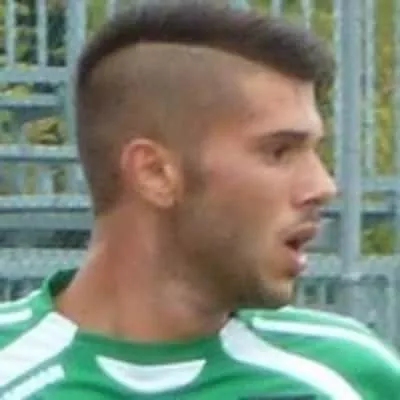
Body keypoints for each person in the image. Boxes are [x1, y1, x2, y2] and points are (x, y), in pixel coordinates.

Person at [0, 2, 399, 399]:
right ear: (154, 173)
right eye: (279, 151)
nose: (323, 186)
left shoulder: (352, 376)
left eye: (315, 151)